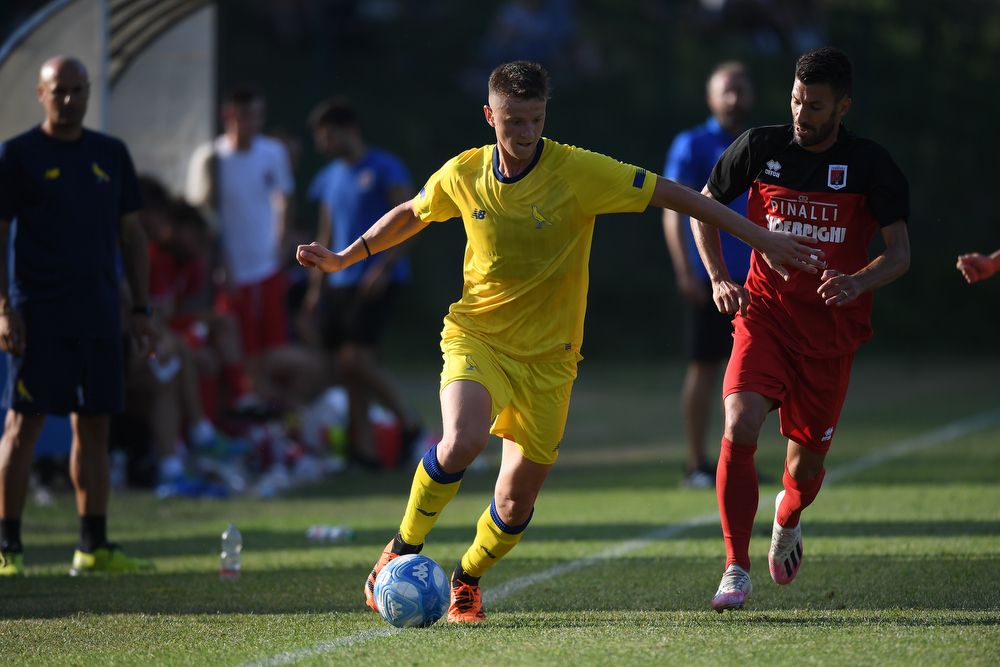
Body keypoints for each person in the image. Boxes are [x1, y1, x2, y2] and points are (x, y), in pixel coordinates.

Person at [296, 60, 823, 623]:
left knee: (515, 502)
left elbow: (678, 196)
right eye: (512, 121)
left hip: (551, 361)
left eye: (534, 120)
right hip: (477, 336)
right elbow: (411, 213)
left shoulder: (577, 171)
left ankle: (467, 579)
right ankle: (400, 549)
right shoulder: (464, 173)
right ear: (488, 115)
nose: (523, 134)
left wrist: (758, 236)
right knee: (462, 438)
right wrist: (348, 255)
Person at [689, 47, 910, 611]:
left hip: (831, 335)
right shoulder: (761, 147)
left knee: (803, 469)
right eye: (795, 99)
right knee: (739, 422)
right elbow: (703, 208)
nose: (800, 113)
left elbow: (900, 254)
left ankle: (787, 517)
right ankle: (735, 567)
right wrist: (719, 277)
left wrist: (859, 283)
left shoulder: (870, 165)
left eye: (814, 105)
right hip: (763, 315)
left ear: (843, 107)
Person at [0, 56, 156, 575]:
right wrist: (4, 308)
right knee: (23, 425)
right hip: (37, 313)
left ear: (89, 93)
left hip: (98, 313)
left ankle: (93, 546)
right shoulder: (18, 156)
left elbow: (131, 235)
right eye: (57, 90)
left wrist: (139, 307)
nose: (68, 99)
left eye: (76, 90)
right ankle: (8, 550)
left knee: (93, 427)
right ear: (40, 94)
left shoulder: (110, 154)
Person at [304, 99, 424, 467]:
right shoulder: (327, 178)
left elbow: (412, 220)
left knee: (355, 359)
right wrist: (315, 287)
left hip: (376, 279)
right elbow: (325, 233)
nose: (322, 145)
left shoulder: (385, 167)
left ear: (348, 130)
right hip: (339, 282)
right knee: (346, 366)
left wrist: (384, 267)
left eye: (327, 135)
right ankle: (364, 451)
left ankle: (409, 422)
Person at [663, 61, 754, 488]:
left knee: (751, 370)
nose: (733, 98)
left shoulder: (759, 144)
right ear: (710, 97)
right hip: (710, 275)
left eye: (740, 89)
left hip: (757, 277)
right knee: (704, 366)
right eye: (725, 90)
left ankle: (736, 463)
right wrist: (685, 269)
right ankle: (697, 463)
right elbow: (673, 208)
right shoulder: (693, 143)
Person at [186, 88, 294, 364]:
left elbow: (284, 200)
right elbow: (203, 215)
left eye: (256, 116)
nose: (250, 123)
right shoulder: (210, 157)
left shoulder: (273, 153)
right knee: (235, 343)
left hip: (267, 265)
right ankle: (242, 401)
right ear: (228, 116)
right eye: (244, 115)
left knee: (272, 344)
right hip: (229, 270)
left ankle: (269, 402)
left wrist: (280, 247)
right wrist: (221, 262)